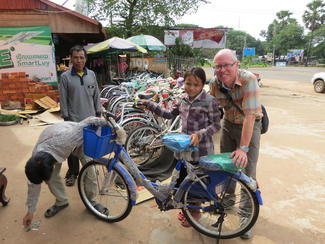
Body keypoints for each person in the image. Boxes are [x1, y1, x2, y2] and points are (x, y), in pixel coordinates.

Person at [139, 67, 221, 227]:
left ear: (203, 85)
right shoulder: (182, 99)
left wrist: (200, 134)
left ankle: (195, 212)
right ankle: (187, 207)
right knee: (184, 180)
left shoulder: (210, 101)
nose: (191, 88)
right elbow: (169, 114)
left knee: (196, 184)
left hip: (201, 152)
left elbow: (216, 125)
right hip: (184, 151)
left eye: (196, 85)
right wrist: (150, 105)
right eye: (188, 83)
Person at [210, 49, 263, 239]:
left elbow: (250, 116)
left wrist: (243, 148)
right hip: (228, 125)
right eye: (218, 66)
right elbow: (211, 109)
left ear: (236, 65)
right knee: (226, 167)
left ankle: (246, 217)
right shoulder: (214, 83)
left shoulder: (249, 80)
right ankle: (228, 201)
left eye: (227, 65)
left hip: (250, 126)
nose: (222, 70)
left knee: (248, 172)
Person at [22, 117, 109, 230]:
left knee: (90, 171)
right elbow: (33, 185)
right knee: (51, 178)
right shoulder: (35, 159)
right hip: (53, 142)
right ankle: (62, 201)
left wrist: (110, 125)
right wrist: (30, 211)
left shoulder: (69, 137)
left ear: (53, 165)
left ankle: (91, 202)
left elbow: (89, 120)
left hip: (77, 141)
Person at [59, 45, 102, 187]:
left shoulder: (91, 75)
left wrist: (98, 112)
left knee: (90, 146)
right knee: (73, 149)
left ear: (85, 59)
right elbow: (63, 99)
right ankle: (72, 173)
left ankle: (90, 169)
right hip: (73, 120)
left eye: (81, 57)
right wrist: (66, 118)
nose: (79, 60)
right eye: (76, 57)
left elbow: (96, 95)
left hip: (90, 118)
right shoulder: (65, 77)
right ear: (71, 59)